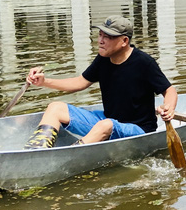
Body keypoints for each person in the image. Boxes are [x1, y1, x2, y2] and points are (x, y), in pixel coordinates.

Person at [24, 15, 177, 149]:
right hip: (107, 121)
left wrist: (168, 107)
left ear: (124, 41)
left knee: (106, 124)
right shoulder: (103, 59)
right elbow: (79, 82)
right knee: (55, 107)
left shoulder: (144, 62)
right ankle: (36, 151)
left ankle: (69, 156)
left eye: (107, 37)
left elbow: (169, 90)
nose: (100, 41)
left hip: (138, 130)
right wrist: (44, 82)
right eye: (100, 35)